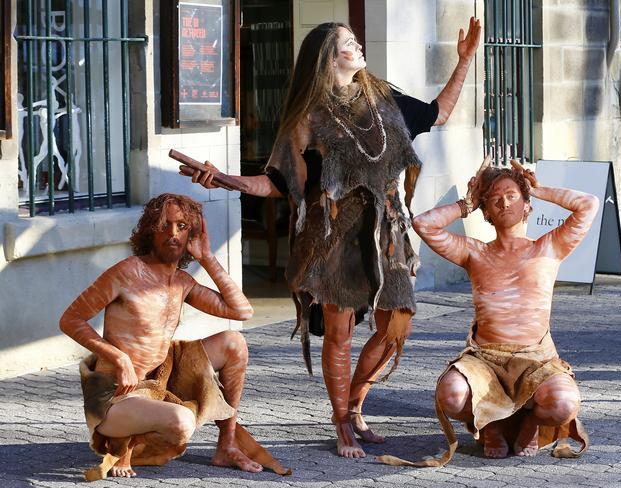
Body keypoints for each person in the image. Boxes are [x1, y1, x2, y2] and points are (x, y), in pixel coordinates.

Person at [179, 19, 481, 458]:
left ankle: (356, 404)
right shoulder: (309, 115)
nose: (358, 47)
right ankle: (342, 423)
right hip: (334, 236)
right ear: (328, 58)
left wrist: (465, 59)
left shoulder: (384, 99)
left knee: (396, 326)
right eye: (348, 44)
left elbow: (439, 113)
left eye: (356, 41)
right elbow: (278, 182)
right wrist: (225, 180)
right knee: (339, 334)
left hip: (387, 235)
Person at [380, 160, 596, 467]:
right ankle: (490, 424)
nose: (504, 201)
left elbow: (589, 204)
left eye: (511, 194)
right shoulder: (474, 252)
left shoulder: (549, 247)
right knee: (450, 395)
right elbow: (423, 224)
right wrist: (466, 203)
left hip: (536, 360)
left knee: (564, 404)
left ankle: (530, 424)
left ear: (525, 204)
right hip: (485, 360)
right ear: (487, 213)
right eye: (494, 198)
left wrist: (539, 188)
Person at [60, 193, 288, 479]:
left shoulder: (182, 282)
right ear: (149, 230)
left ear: (191, 233)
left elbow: (241, 311)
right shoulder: (127, 272)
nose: (173, 233)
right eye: (164, 225)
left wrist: (206, 257)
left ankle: (227, 445)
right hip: (116, 394)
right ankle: (124, 444)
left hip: (160, 380)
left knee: (234, 343)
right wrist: (118, 357)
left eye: (181, 226)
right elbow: (70, 319)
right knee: (182, 423)